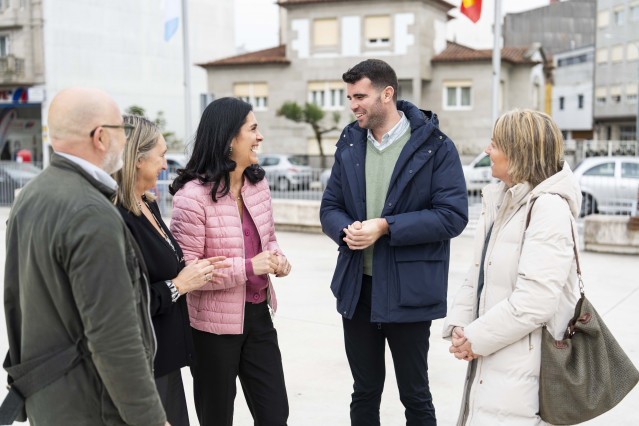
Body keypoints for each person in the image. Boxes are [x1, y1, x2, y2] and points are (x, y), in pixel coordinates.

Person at [3, 87, 167, 425]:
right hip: (93, 407)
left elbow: (14, 304)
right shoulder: (91, 212)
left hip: (50, 403)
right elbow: (114, 338)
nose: (126, 140)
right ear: (101, 137)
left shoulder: (30, 195)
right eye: (122, 130)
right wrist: (150, 419)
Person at [320, 59, 468, 425]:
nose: (353, 105)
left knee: (415, 395)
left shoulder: (436, 146)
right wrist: (345, 230)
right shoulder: (350, 142)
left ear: (387, 94)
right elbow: (330, 207)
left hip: (409, 291)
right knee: (364, 392)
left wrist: (386, 226)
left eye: (360, 96)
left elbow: (452, 216)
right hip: (358, 290)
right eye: (350, 97)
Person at [443, 109, 581, 425]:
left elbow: (535, 302)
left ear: (519, 152)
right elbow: (478, 272)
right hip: (496, 357)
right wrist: (462, 327)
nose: (487, 151)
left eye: (495, 144)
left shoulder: (548, 209)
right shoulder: (506, 201)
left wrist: (475, 338)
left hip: (524, 369)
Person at [169, 97, 291, 426]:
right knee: (217, 418)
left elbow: (268, 239)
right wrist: (251, 267)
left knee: (275, 415)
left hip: (258, 317)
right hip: (212, 329)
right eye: (253, 129)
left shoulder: (257, 184)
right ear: (229, 139)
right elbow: (188, 272)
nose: (260, 136)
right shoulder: (192, 197)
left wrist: (277, 259)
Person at [113, 115, 231, 426]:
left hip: (165, 356)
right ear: (137, 158)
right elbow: (122, 303)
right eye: (162, 155)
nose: (166, 165)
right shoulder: (115, 218)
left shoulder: (148, 204)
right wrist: (179, 285)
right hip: (142, 364)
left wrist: (198, 271)